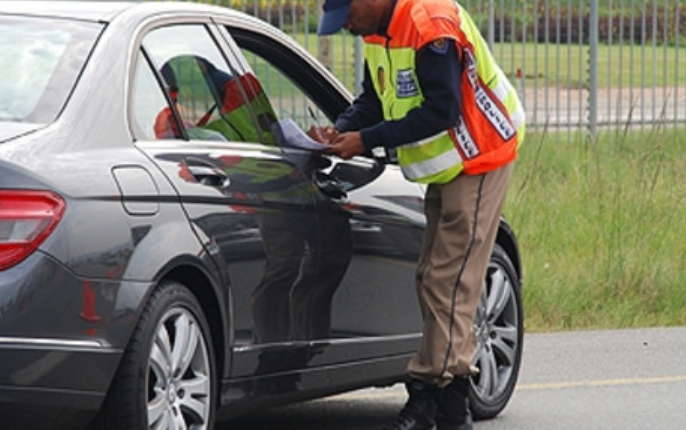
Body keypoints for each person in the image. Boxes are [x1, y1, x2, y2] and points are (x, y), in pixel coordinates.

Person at [315, 1, 525, 430]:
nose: (347, 28)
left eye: (348, 16)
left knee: (451, 281)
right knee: (431, 276)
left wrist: (367, 140)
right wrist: (343, 127)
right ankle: (446, 406)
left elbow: (441, 110)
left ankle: (433, 394)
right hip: (449, 164)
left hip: (481, 154)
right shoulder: (378, 31)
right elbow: (374, 100)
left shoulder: (430, 26)